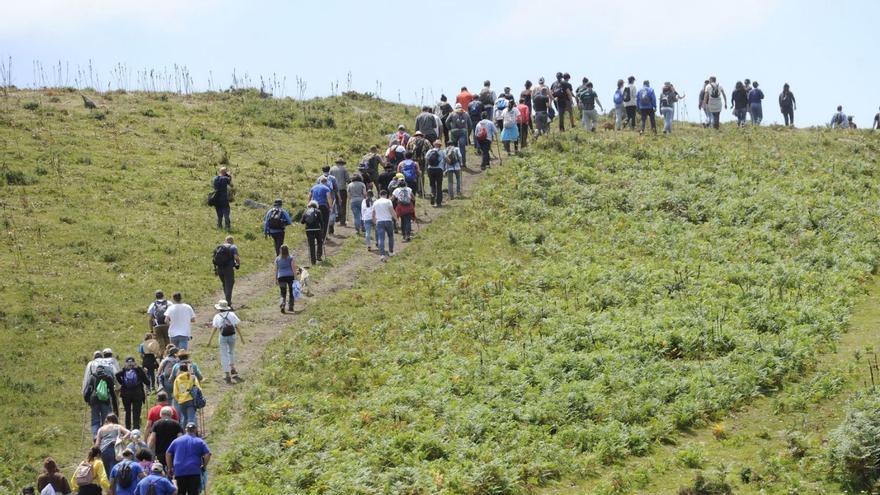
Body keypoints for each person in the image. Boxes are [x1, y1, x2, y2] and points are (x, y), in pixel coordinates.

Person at [165, 423, 211, 495]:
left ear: (186, 430)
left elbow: (168, 453)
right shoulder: (199, 441)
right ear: (195, 430)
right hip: (194, 470)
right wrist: (204, 465)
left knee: (181, 492)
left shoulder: (176, 441)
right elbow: (208, 454)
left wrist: (170, 467)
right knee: (193, 492)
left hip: (179, 470)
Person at [83, 350, 119, 436]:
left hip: (94, 399)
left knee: (95, 420)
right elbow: (113, 393)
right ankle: (105, 436)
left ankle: (96, 436)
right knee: (106, 419)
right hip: (105, 399)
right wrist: (115, 407)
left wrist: (87, 399)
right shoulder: (108, 370)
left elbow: (87, 387)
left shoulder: (92, 372)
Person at [210, 299, 243, 382]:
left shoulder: (217, 316)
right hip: (232, 335)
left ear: (219, 308)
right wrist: (242, 337)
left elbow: (215, 329)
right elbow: (237, 326)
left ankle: (227, 373)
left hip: (222, 336)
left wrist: (210, 340)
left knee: (224, 354)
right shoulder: (232, 314)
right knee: (231, 352)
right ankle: (232, 367)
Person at [116, 357, 148, 430]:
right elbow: (147, 382)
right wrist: (143, 373)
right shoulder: (138, 370)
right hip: (138, 394)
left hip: (126, 394)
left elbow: (117, 375)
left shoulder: (124, 371)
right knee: (136, 412)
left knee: (127, 412)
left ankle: (128, 429)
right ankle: (136, 429)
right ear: (134, 362)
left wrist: (122, 383)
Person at [94, 414, 130, 478]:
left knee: (107, 471)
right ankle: (116, 485)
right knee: (116, 469)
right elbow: (129, 433)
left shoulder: (101, 429)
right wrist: (121, 439)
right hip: (115, 449)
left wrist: (96, 455)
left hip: (104, 451)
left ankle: (109, 486)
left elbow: (97, 444)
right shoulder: (118, 426)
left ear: (107, 420)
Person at [212, 235, 240, 308]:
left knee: (224, 284)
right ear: (232, 241)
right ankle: (228, 303)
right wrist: (238, 264)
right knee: (229, 284)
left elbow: (214, 259)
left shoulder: (219, 247)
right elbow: (236, 257)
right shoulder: (233, 247)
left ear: (225, 241)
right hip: (228, 269)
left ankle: (226, 300)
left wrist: (215, 270)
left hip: (219, 268)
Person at [308, 177, 334, 244]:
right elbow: (329, 198)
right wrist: (331, 207)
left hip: (315, 206)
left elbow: (309, 196)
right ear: (326, 182)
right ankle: (323, 237)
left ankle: (317, 237)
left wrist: (308, 205)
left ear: (319, 181)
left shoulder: (313, 187)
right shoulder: (326, 188)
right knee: (325, 222)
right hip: (323, 207)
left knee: (316, 222)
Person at [373, 190, 397, 261]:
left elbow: (373, 214)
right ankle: (391, 252)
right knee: (390, 236)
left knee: (381, 238)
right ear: (386, 195)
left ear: (379, 195)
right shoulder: (388, 201)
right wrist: (396, 219)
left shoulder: (375, 202)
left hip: (379, 221)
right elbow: (392, 211)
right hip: (388, 221)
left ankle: (382, 254)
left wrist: (375, 222)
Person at [446, 103, 471, 169]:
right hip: (463, 131)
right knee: (462, 148)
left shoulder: (452, 113)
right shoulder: (466, 113)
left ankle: (455, 163)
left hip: (454, 131)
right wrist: (468, 134)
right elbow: (470, 125)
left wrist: (450, 128)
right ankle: (463, 163)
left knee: (454, 147)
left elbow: (446, 122)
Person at [273, 242, 296, 313]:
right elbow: (293, 268)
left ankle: (282, 304)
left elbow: (276, 270)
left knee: (283, 293)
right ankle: (291, 306)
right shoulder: (291, 258)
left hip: (281, 277)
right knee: (291, 292)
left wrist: (275, 279)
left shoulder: (277, 259)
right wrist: (295, 278)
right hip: (290, 276)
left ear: (280, 250)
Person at [300, 200, 324, 265]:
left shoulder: (306, 211)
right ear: (316, 205)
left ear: (309, 205)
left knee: (311, 245)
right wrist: (322, 230)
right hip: (317, 229)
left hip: (308, 230)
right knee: (320, 242)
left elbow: (302, 222)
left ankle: (313, 262)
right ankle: (319, 255)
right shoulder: (318, 211)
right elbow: (321, 222)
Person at [317, 166, 339, 234]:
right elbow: (336, 189)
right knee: (332, 212)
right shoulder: (333, 178)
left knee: (322, 214)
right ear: (329, 170)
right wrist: (339, 198)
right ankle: (331, 225)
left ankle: (322, 228)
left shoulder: (319, 178)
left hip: (321, 199)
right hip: (331, 198)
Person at [329, 158, 351, 226]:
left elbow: (329, 178)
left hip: (333, 189)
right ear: (342, 163)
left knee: (335, 205)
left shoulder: (332, 169)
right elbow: (348, 179)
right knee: (343, 205)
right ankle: (342, 221)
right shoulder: (344, 169)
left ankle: (336, 218)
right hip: (342, 189)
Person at [425, 141, 445, 207]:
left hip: (431, 169)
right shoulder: (442, 152)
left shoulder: (430, 151)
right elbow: (447, 159)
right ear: (440, 145)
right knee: (439, 186)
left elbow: (427, 160)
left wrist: (426, 168)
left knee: (432, 185)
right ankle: (438, 202)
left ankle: (432, 198)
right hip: (439, 170)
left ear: (434, 145)